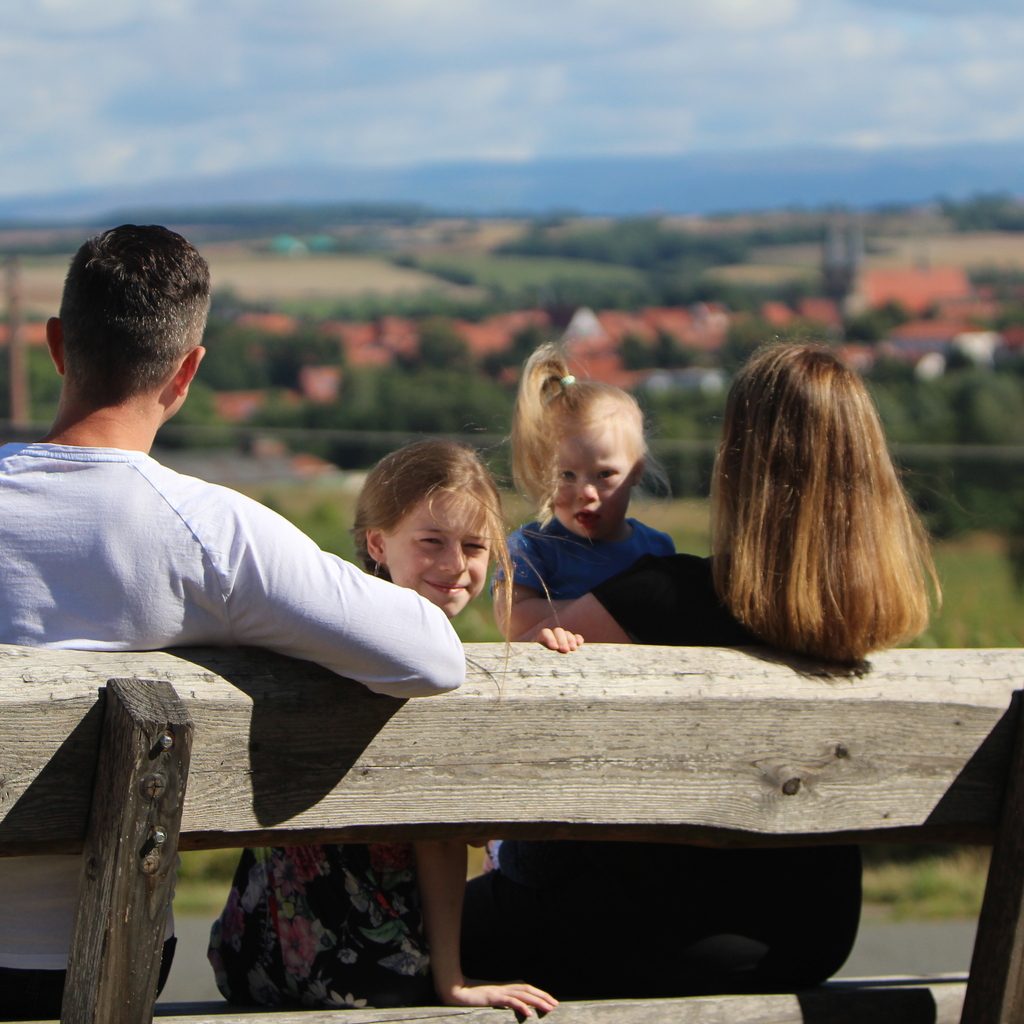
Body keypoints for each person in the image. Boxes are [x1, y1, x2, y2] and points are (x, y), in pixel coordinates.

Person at [0, 226, 465, 1022]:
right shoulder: (210, 536)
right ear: (186, 372)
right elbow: (433, 658)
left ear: (55, 346)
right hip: (96, 961)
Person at [463, 343, 937, 1000]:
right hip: (816, 936)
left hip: (650, 926)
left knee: (410, 931)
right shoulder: (857, 631)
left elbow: (521, 644)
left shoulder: (657, 597)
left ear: (735, 466)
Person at [209, 440, 562, 1016]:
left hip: (251, 938)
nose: (456, 563)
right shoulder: (417, 662)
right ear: (378, 543)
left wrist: (537, 644)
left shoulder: (325, 621)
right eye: (432, 541)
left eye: (475, 546)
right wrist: (452, 982)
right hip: (356, 953)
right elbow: (442, 835)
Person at [495, 342, 674, 641]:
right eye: (567, 475)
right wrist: (621, 608)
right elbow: (512, 620)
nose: (586, 492)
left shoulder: (657, 548)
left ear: (636, 471)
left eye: (604, 475)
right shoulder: (529, 547)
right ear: (544, 473)